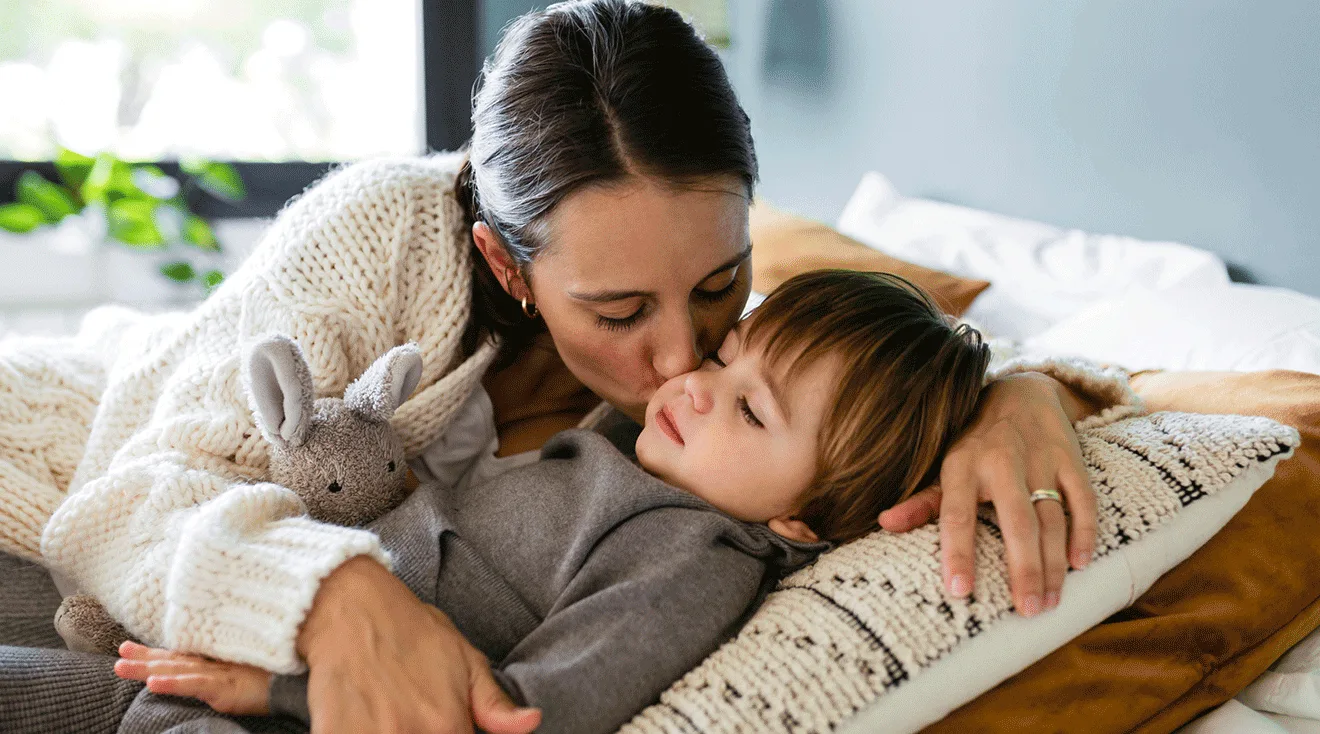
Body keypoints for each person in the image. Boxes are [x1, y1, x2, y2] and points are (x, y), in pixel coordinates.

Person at [0, 2, 1119, 732]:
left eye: (722, 286)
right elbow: (119, 507)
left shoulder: (732, 389)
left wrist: (1016, 396)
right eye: (619, 310)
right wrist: (340, 598)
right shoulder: (379, 235)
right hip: (40, 475)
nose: (683, 357)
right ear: (507, 262)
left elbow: (904, 368)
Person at [109, 269, 992, 734]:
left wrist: (279, 693)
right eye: (728, 356)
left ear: (801, 521)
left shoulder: (689, 557)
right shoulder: (648, 452)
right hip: (258, 629)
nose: (692, 381)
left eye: (751, 411)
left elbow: (531, 711)